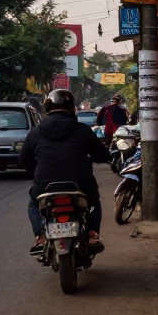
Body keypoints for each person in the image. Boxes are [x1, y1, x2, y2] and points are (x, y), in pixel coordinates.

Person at [20, 89, 110, 255]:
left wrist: (36, 174)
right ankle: (91, 234)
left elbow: (25, 159)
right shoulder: (82, 130)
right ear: (71, 107)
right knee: (94, 202)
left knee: (34, 203)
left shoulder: (36, 132)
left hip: (44, 185)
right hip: (80, 184)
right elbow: (101, 155)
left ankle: (40, 236)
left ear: (47, 108)